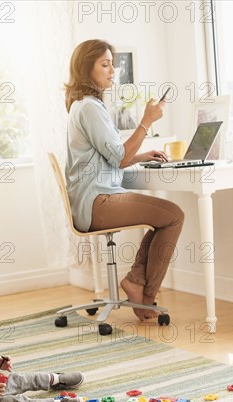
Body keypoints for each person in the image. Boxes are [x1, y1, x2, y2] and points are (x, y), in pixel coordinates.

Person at [65, 39, 185, 321]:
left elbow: (111, 156)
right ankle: (145, 296)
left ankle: (135, 282)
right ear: (86, 69)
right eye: (104, 65)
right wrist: (146, 122)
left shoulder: (84, 105)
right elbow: (118, 158)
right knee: (174, 215)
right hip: (98, 202)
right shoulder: (90, 108)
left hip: (94, 199)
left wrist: (140, 155)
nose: (112, 71)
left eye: (112, 64)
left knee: (165, 217)